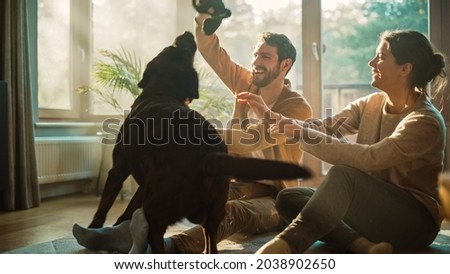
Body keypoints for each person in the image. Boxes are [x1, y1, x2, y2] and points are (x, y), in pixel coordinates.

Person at [72, 11, 312, 253]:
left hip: (276, 198)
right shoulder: (246, 83)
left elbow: (251, 141)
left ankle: (171, 246)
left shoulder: (297, 107)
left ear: (285, 64)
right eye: (256, 54)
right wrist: (203, 23)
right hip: (240, 180)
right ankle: (123, 231)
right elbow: (214, 54)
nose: (257, 61)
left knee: (232, 212)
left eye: (266, 56)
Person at [252, 29, 448, 254]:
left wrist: (300, 133)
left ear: (405, 69)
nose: (371, 62)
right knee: (289, 197)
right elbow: (327, 128)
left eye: (381, 57)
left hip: (414, 225)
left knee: (343, 174)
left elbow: (370, 158)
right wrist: (278, 119)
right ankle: (362, 245)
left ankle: (287, 244)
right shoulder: (370, 104)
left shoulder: (425, 121)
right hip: (374, 213)